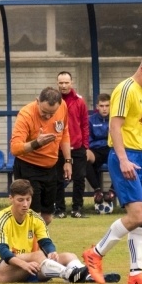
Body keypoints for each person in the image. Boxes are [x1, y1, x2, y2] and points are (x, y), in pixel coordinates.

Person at [82, 52, 142, 284]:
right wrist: (122, 159)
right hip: (126, 156)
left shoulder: (141, 92)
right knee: (136, 216)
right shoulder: (125, 89)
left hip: (139, 156)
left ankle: (136, 274)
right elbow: (114, 126)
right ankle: (95, 253)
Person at [0, 179, 95, 283]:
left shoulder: (35, 218)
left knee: (69, 256)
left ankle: (89, 276)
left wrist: (51, 252)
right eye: (20, 200)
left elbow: (46, 242)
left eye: (28, 199)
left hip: (30, 267)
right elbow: (3, 252)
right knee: (38, 255)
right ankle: (70, 274)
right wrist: (24, 264)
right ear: (11, 198)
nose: (25, 204)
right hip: (1, 271)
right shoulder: (1, 219)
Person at [10, 87, 72, 225]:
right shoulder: (26, 114)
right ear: (37, 101)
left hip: (51, 168)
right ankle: (29, 246)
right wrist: (36, 143)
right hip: (28, 167)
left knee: (47, 218)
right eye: (44, 112)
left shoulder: (63, 107)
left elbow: (65, 132)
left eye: (52, 113)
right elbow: (15, 148)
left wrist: (68, 161)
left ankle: (37, 244)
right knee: (34, 217)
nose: (48, 117)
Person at [54, 71, 90, 218]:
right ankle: (60, 210)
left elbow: (85, 125)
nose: (63, 86)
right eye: (61, 83)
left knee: (79, 178)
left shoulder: (80, 101)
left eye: (66, 82)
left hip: (77, 146)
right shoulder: (53, 100)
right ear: (57, 84)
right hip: (58, 148)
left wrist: (85, 146)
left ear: (72, 83)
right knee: (57, 179)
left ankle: (77, 209)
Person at [86, 93, 116, 207]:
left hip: (112, 150)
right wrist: (102, 141)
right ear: (97, 106)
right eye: (102, 106)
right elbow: (88, 140)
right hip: (96, 150)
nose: (104, 109)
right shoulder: (91, 120)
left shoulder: (115, 119)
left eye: (107, 105)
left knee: (124, 158)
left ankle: (112, 191)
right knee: (84, 156)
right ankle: (97, 190)